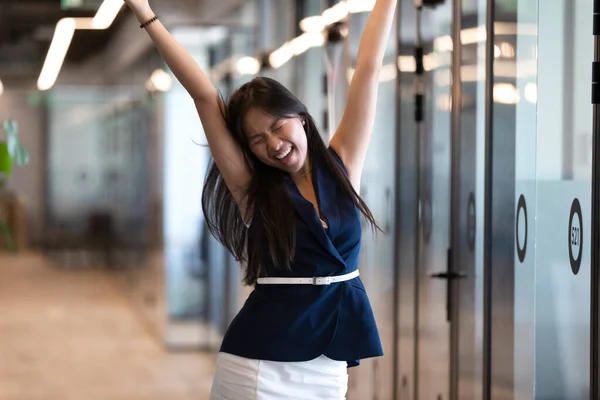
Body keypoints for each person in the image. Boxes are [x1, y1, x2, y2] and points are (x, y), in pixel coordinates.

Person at [123, 0, 397, 398]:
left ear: (300, 116)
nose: (274, 144)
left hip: (328, 363)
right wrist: (143, 12)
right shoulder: (252, 190)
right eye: (257, 139)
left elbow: (369, 69)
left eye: (277, 125)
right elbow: (203, 94)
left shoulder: (342, 165)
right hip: (259, 366)